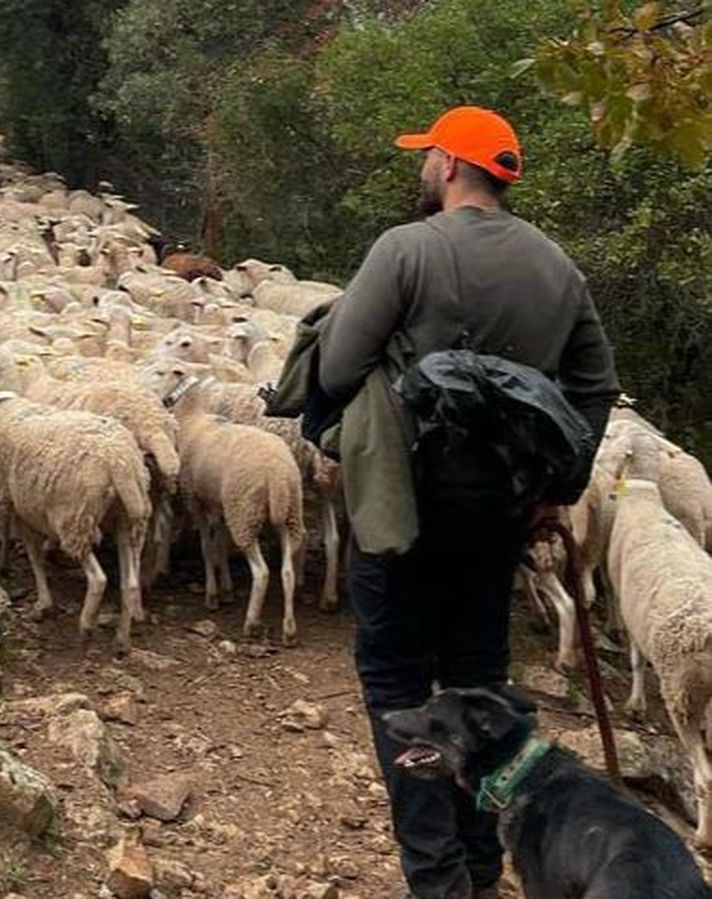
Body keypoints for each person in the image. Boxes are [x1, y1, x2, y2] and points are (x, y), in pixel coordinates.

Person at [316, 106, 621, 899]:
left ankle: (438, 878)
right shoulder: (557, 265)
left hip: (402, 508)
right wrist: (557, 485)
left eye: (428, 156)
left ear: (450, 164)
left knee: (397, 684)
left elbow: (339, 366)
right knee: (479, 681)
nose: (423, 168)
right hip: (496, 517)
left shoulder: (406, 249)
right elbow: (595, 384)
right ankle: (487, 862)